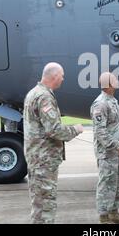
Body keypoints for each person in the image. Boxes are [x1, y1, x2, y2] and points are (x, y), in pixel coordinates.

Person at [23, 62, 84, 224]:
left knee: (39, 204)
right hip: (44, 160)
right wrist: (75, 129)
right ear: (55, 76)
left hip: (37, 158)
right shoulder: (44, 97)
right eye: (62, 76)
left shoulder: (33, 93)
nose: (63, 79)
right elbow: (54, 130)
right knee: (45, 206)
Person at [90, 72, 119, 224]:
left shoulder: (112, 101)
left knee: (117, 183)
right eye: (115, 79)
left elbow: (117, 122)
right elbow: (100, 131)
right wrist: (118, 147)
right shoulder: (100, 104)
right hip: (108, 153)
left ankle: (114, 212)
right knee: (106, 183)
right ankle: (104, 217)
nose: (117, 81)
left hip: (118, 152)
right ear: (108, 84)